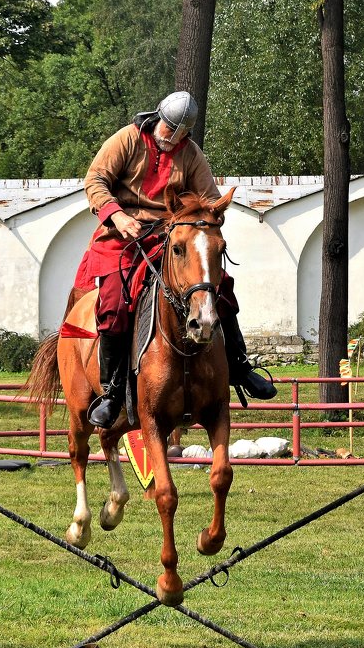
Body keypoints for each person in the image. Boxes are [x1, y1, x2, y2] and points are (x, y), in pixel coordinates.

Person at [76, 90, 276, 428]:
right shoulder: (127, 139)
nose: (174, 139)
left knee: (220, 286)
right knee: (113, 302)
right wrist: (117, 216)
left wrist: (210, 214)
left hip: (172, 235)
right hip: (123, 236)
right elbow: (95, 180)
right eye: (170, 130)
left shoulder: (192, 154)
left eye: (182, 134)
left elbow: (210, 196)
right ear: (158, 119)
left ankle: (240, 367)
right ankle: (111, 392)